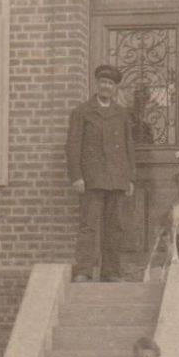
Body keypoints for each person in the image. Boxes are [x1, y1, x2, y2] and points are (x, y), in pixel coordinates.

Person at [66, 64, 136, 282]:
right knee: (89, 226)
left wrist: (130, 178)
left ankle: (111, 272)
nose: (106, 87)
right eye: (103, 82)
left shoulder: (121, 114)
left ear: (115, 88)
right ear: (96, 85)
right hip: (92, 179)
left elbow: (128, 147)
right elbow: (73, 146)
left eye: (110, 84)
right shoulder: (82, 112)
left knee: (115, 227)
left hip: (117, 177)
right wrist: (76, 176)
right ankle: (84, 271)